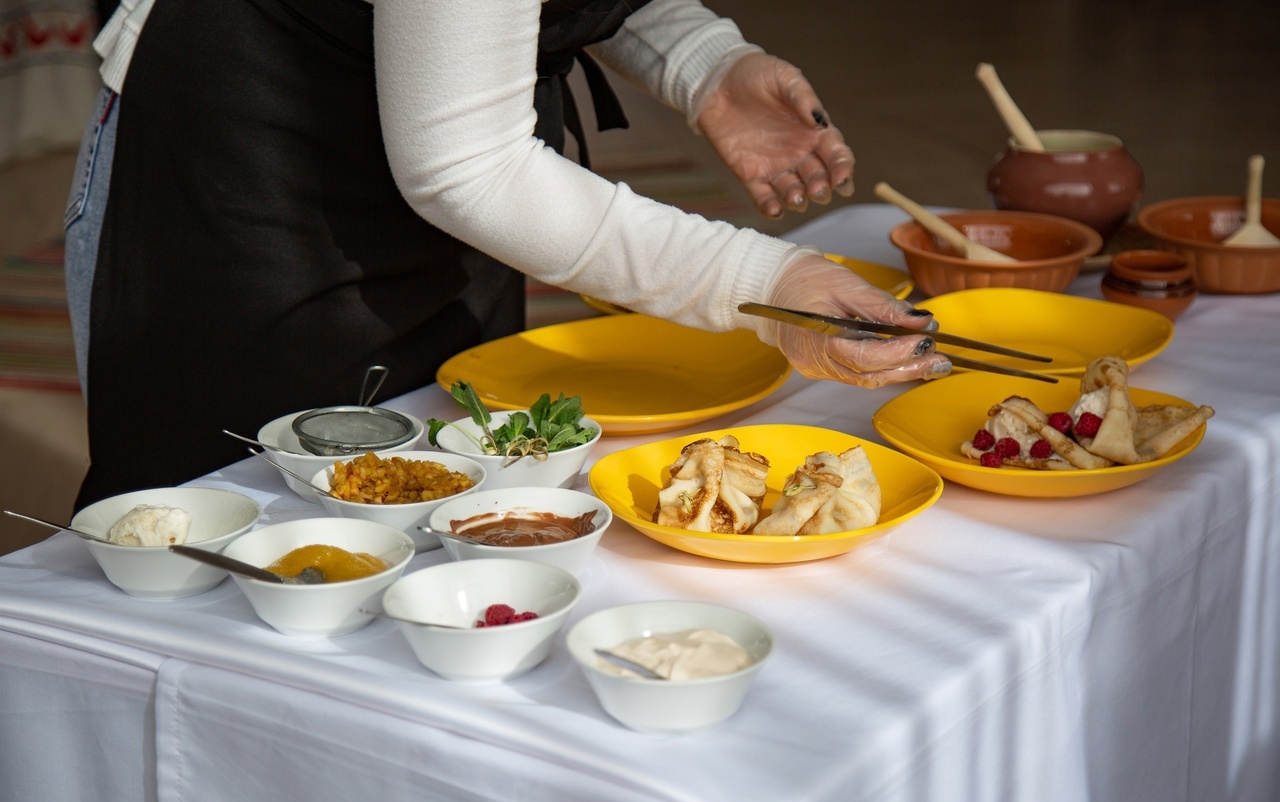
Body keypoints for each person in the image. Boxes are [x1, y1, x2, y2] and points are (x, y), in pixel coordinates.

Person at [64, 0, 951, 509]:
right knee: (234, 550)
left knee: (444, 496)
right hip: (248, 178)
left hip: (441, 175)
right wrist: (768, 281)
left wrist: (699, 58)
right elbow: (466, 169)